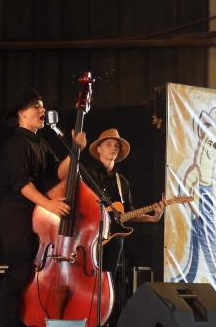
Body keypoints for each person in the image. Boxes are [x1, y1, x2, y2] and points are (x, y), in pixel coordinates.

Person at [0, 88, 83, 327]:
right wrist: (49, 204)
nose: (42, 110)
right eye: (36, 106)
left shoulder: (39, 142)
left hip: (33, 215)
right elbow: (22, 184)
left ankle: (17, 323)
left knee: (28, 271)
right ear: (22, 114)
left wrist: (75, 151)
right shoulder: (16, 144)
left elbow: (59, 173)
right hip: (16, 213)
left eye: (42, 106)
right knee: (19, 270)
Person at [56, 129, 161, 316]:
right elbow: (63, 175)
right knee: (86, 276)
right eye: (108, 144)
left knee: (109, 277)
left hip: (114, 238)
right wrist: (75, 149)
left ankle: (106, 318)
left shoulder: (122, 182)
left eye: (116, 146)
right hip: (89, 236)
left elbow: (127, 214)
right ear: (98, 149)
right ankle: (83, 314)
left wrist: (151, 218)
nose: (113, 148)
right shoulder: (87, 173)